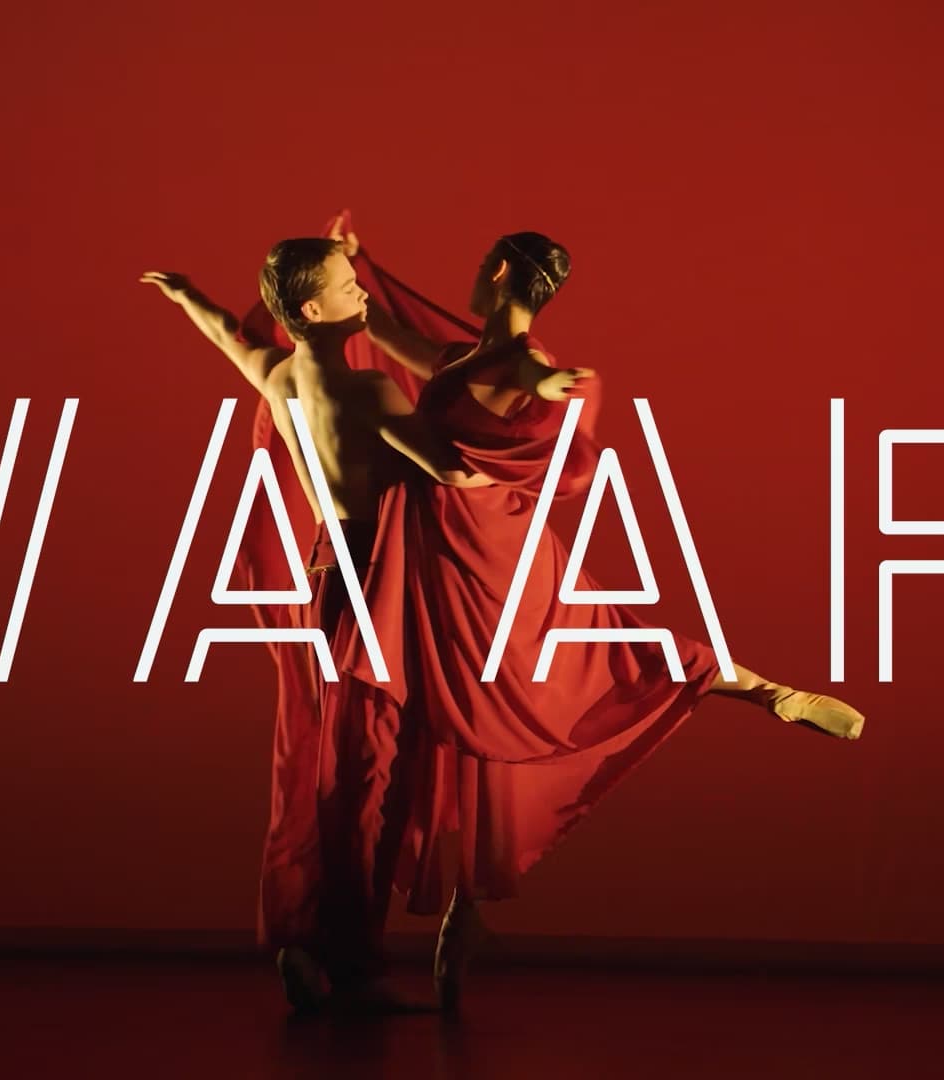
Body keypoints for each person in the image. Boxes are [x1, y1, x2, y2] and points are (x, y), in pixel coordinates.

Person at [333, 221, 866, 1011]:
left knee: (559, 673)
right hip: (455, 550)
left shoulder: (524, 362)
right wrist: (350, 267)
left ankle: (764, 691)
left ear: (507, 274)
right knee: (473, 712)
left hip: (491, 548)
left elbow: (546, 385)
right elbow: (384, 331)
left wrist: (556, 389)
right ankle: (465, 914)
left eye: (485, 264)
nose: (474, 275)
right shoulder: (461, 360)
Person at [141, 240, 491, 1012]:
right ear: (311, 310)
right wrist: (536, 448)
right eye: (347, 285)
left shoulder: (277, 376)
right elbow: (455, 471)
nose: (361, 292)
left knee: (345, 762)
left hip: (325, 573)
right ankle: (350, 962)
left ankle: (321, 945)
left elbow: (227, 336)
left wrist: (185, 292)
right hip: (376, 575)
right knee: (365, 771)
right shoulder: (369, 393)